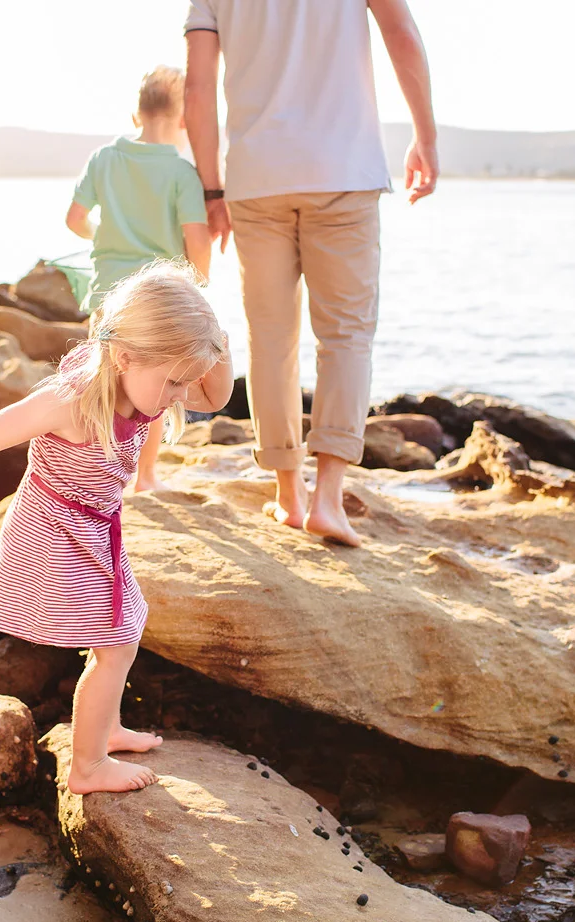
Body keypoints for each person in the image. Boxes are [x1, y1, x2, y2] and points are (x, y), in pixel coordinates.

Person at [0, 263, 232, 794]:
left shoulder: (146, 384)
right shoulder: (70, 400)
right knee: (116, 643)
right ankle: (87, 767)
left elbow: (216, 398)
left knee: (125, 629)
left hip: (95, 528)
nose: (183, 396)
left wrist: (218, 341)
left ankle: (104, 727)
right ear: (124, 356)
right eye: (176, 383)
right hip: (54, 533)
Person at [184, 0, 438, 546]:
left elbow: (197, 88)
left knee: (271, 339)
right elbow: (400, 32)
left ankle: (287, 495)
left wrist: (211, 190)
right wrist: (426, 137)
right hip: (343, 171)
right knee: (345, 335)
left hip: (256, 179)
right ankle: (328, 498)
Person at [66, 65, 213, 492]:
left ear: (136, 114)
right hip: (160, 305)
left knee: (99, 385)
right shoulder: (182, 173)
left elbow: (75, 219)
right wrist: (198, 285)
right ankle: (144, 476)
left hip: (107, 295)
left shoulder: (104, 159)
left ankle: (92, 473)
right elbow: (198, 240)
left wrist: (103, 235)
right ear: (183, 120)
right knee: (156, 392)